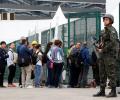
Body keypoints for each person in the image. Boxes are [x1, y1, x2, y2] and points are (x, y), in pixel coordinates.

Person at [93, 14, 118, 97]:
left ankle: (113, 91)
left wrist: (103, 49)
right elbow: (101, 41)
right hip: (102, 55)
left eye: (107, 19)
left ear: (111, 21)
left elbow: (113, 42)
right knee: (102, 73)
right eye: (104, 19)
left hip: (109, 55)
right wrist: (98, 46)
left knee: (111, 73)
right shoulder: (103, 31)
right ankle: (102, 90)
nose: (105, 21)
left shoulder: (112, 30)